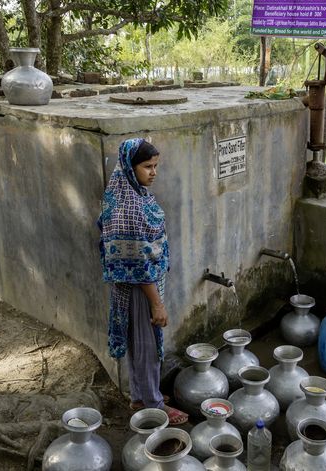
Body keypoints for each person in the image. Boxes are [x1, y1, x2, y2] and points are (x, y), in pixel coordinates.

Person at [97, 138, 188, 425]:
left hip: (144, 284)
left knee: (140, 344)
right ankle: (154, 405)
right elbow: (138, 266)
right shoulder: (130, 209)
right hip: (140, 288)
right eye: (147, 166)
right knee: (147, 347)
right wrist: (157, 304)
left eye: (156, 166)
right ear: (129, 167)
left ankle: (140, 396)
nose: (154, 172)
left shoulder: (133, 195)